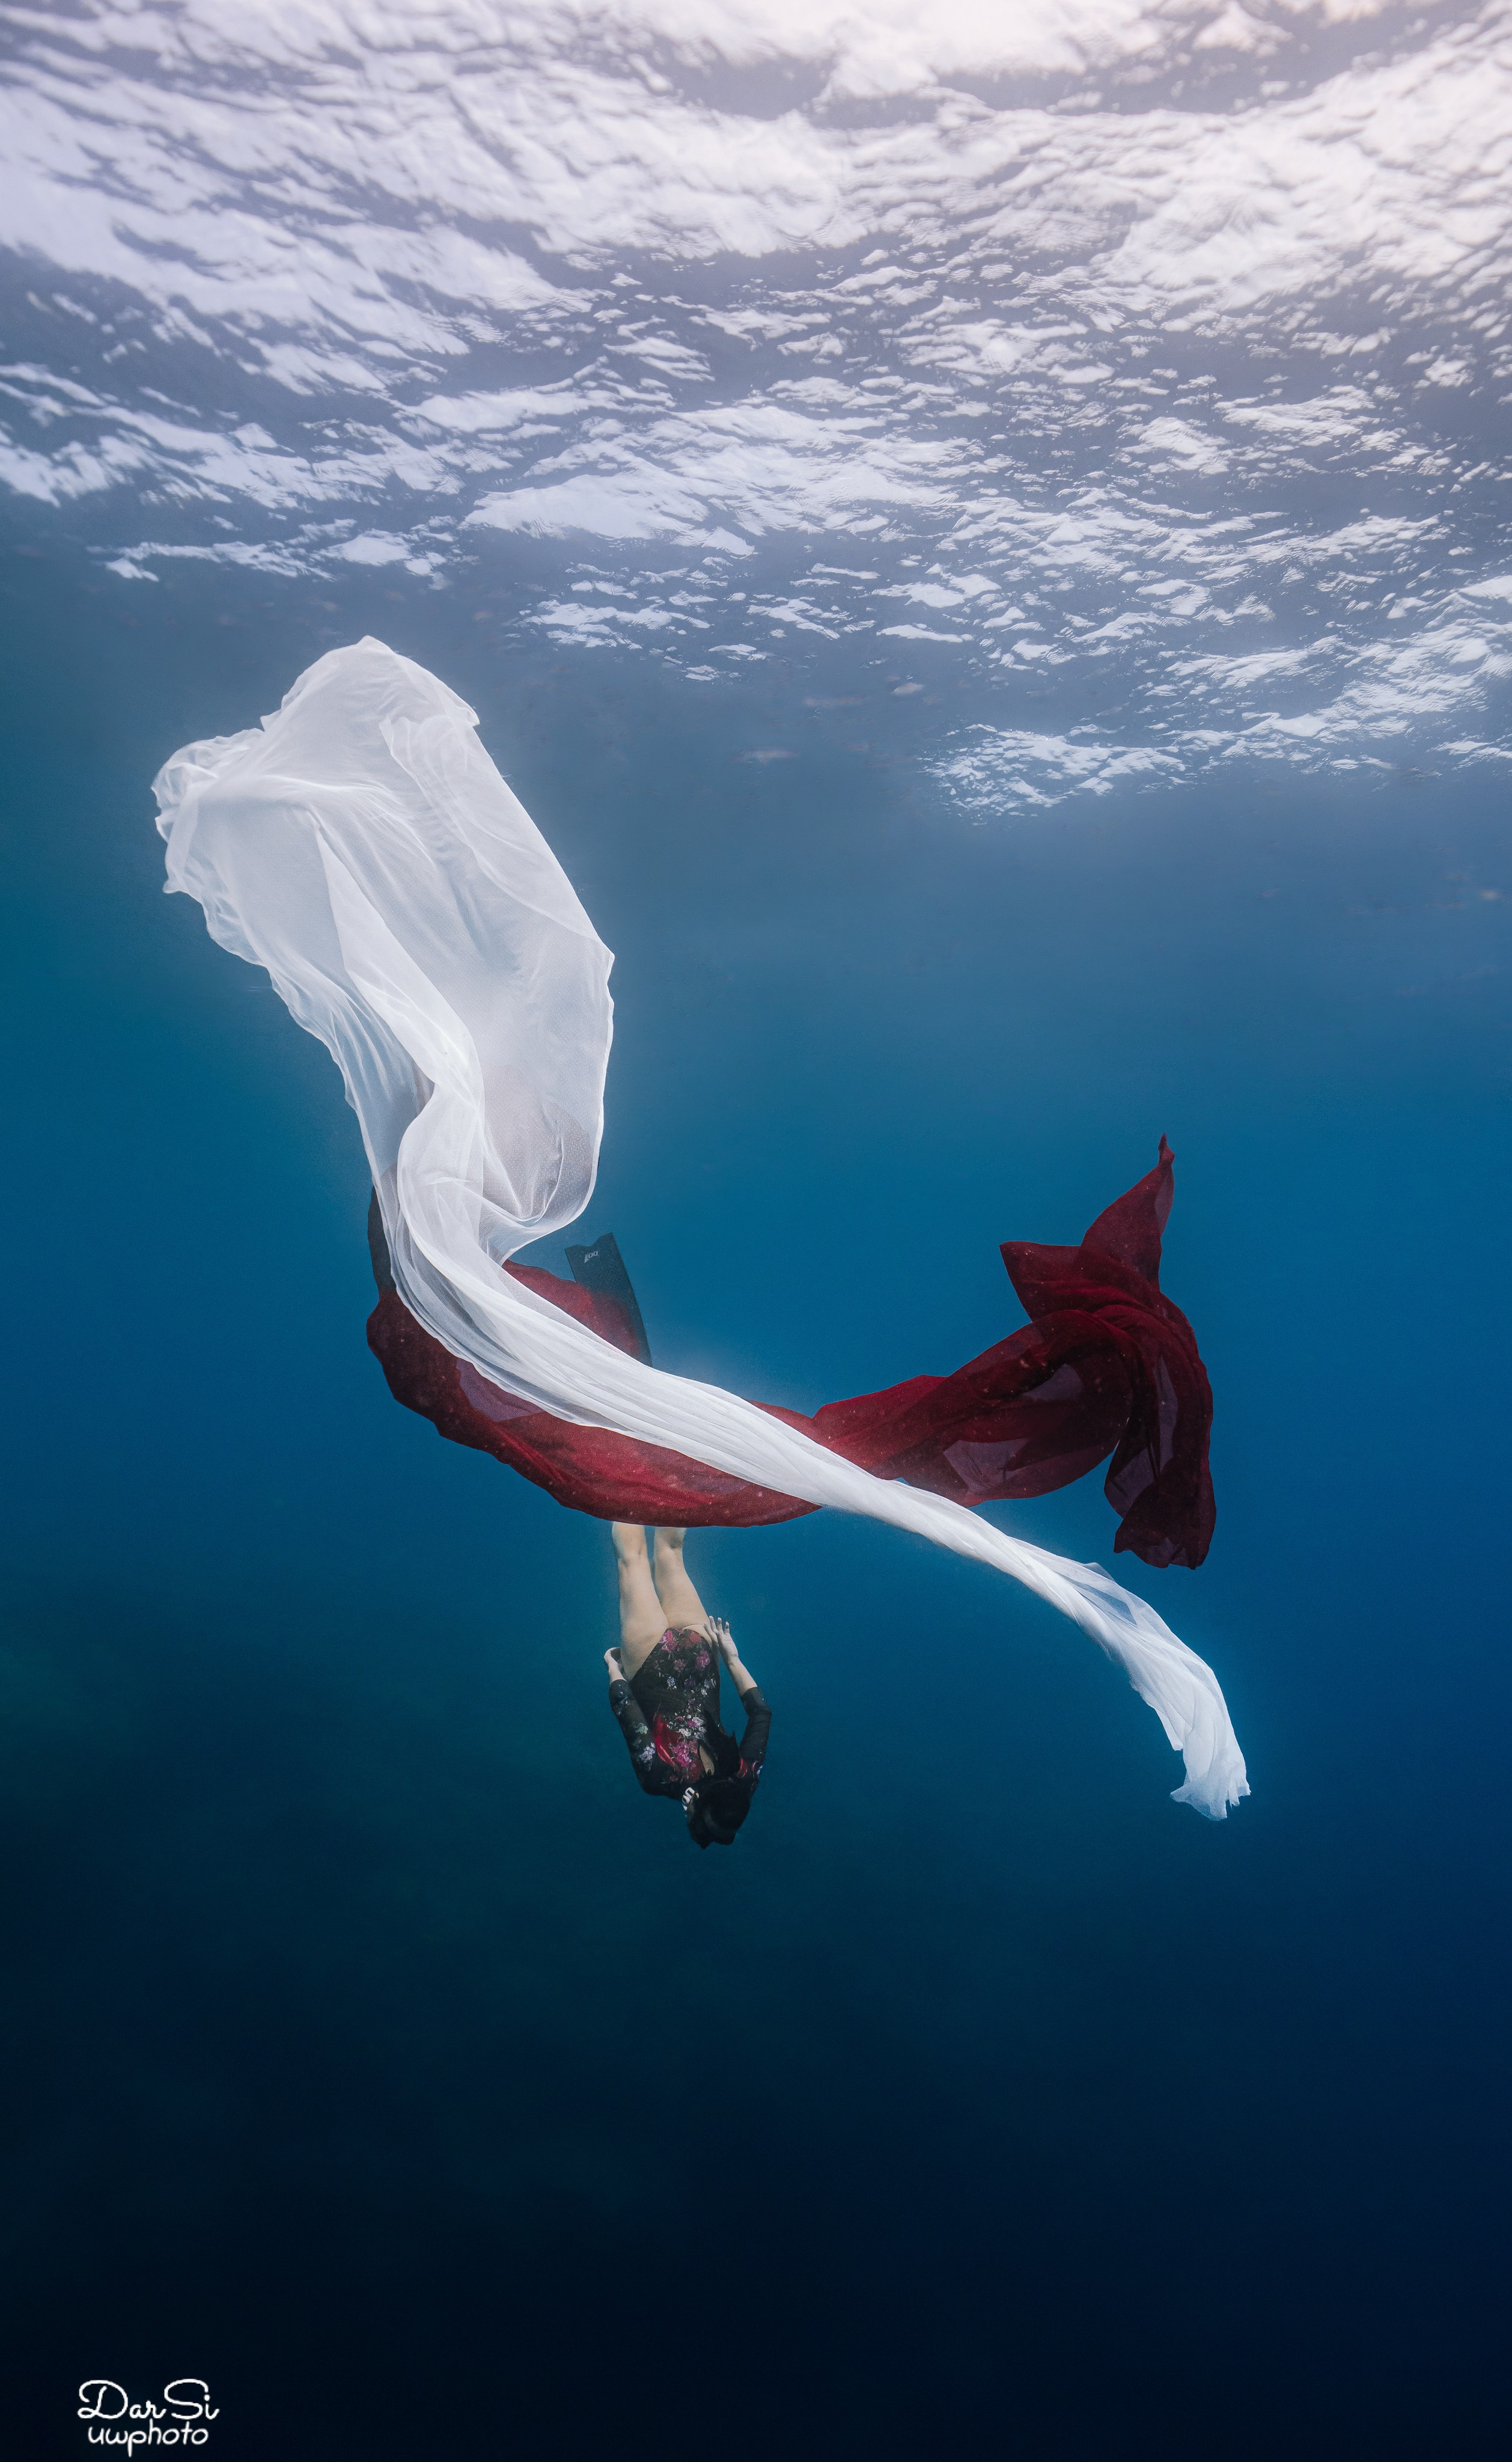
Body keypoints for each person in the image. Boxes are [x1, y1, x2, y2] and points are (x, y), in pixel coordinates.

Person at [604, 1524, 770, 1848]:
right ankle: (625, 1482)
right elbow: (627, 1710)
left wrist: (732, 1658)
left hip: (702, 1657)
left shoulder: (744, 1778)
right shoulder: (660, 1779)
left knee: (671, 1553)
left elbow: (761, 1712)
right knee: (632, 1560)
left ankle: (672, 1476)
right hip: (652, 1661)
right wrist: (614, 1670)